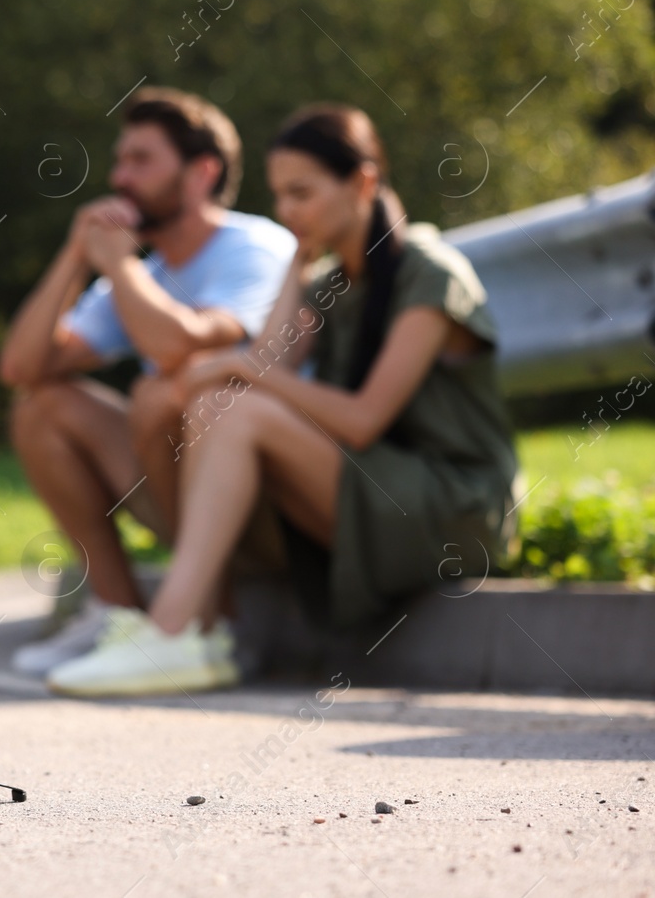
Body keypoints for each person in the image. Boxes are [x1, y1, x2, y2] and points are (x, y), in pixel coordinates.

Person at [45, 103, 518, 697]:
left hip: (456, 509)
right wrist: (297, 261)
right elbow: (270, 359)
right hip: (383, 494)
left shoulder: (428, 273)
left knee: (233, 404)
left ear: (363, 183)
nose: (288, 211)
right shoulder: (329, 284)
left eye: (303, 193)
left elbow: (362, 420)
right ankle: (194, 631)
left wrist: (242, 367)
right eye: (280, 197)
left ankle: (172, 631)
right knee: (213, 402)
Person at [0, 88, 296, 677]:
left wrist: (118, 265)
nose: (120, 177)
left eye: (141, 160)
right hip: (182, 487)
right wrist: (76, 256)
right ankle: (122, 617)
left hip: (271, 502)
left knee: (165, 391)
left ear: (201, 173)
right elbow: (20, 369)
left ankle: (204, 620)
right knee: (42, 408)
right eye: (120, 160)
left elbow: (177, 346)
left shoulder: (254, 245)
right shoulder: (141, 273)